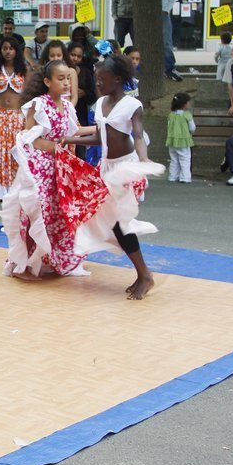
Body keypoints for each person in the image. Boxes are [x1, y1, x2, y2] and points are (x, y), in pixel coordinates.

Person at [67, 55, 165, 300]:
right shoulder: (99, 104)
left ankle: (145, 275)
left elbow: (139, 136)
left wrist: (143, 161)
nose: (98, 84)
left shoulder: (133, 105)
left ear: (118, 79)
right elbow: (98, 139)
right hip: (106, 169)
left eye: (103, 79)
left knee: (121, 224)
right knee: (113, 224)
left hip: (125, 169)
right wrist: (66, 140)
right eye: (97, 79)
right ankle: (143, 274)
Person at [0, 60, 107, 280]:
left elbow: (74, 130)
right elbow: (30, 138)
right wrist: (56, 149)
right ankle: (25, 265)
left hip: (59, 167)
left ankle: (52, 260)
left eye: (68, 78)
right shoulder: (38, 105)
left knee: (58, 213)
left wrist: (104, 127)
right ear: (47, 81)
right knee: (35, 211)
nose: (66, 83)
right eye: (61, 78)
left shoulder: (67, 105)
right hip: (39, 167)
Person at [0, 35, 28, 200]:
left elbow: (29, 95)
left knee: (16, 153)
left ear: (17, 50)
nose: (8, 51)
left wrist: (28, 120)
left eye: (11, 48)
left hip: (18, 116)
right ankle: (1, 191)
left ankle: (16, 190)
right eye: (4, 48)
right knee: (0, 154)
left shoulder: (24, 69)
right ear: (0, 50)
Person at [161, 0, 183, 81]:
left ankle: (170, 68)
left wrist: (166, 9)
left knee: (166, 42)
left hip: (163, 12)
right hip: (150, 14)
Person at [166, 92, 195, 183]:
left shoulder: (171, 115)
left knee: (174, 159)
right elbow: (192, 128)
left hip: (172, 140)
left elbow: (169, 126)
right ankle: (185, 177)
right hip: (184, 140)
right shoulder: (187, 115)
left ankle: (172, 176)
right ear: (184, 104)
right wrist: (190, 133)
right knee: (185, 159)